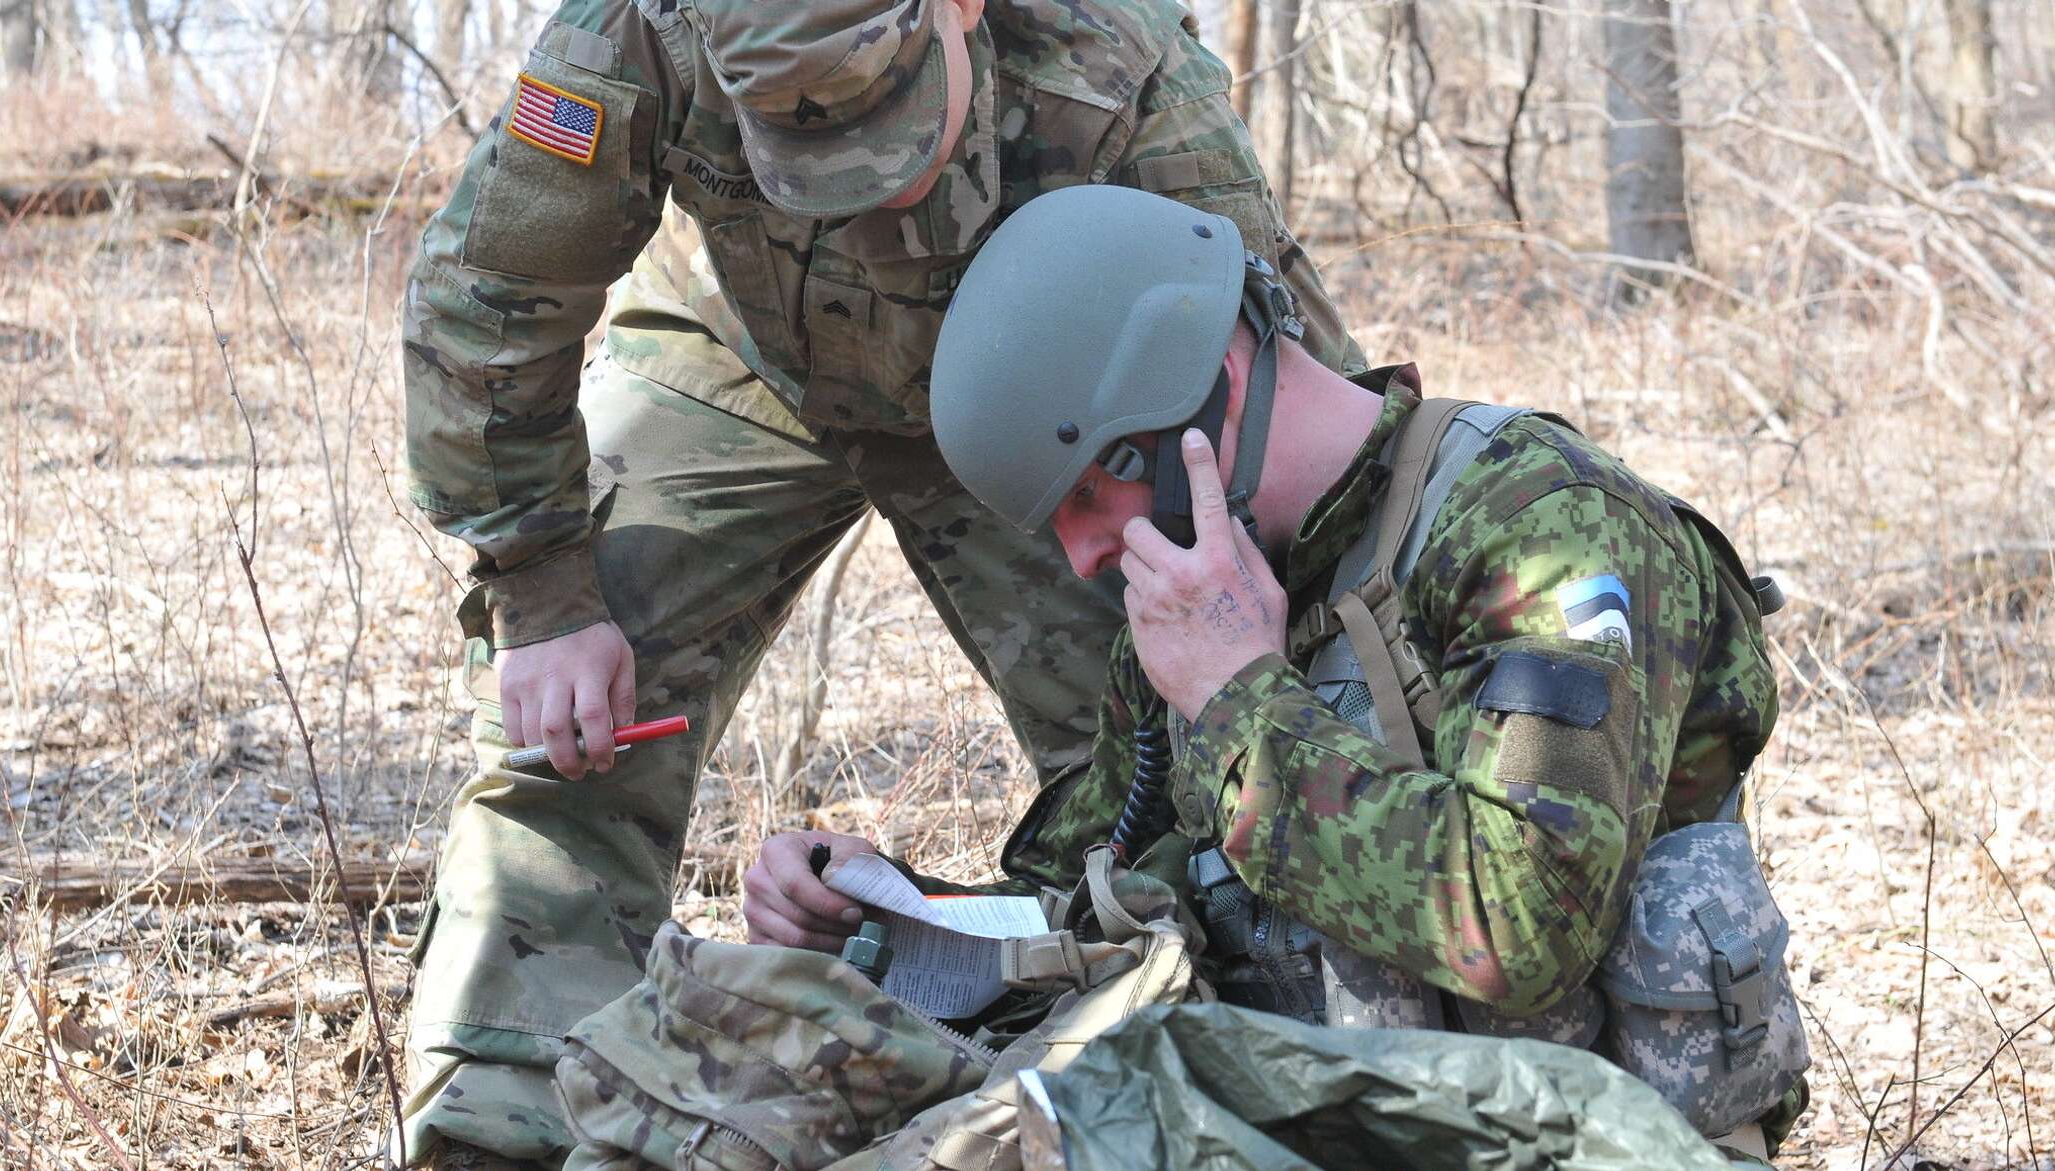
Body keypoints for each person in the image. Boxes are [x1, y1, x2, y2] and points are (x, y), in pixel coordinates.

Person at [399, 0, 1363, 1160]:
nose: (856, 198)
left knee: (1161, 771)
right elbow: (492, 290)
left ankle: (1118, 1083)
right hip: (738, 348)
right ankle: (499, 1126)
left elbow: (1284, 393)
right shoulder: (642, 28)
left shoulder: (1115, 63)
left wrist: (1283, 647)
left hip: (1032, 406)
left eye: (888, 137)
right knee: (569, 723)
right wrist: (543, 588)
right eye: (801, 157)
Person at [743, 184, 1809, 1160]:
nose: (1078, 558)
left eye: (1083, 495)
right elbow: (1079, 906)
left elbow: (1520, 919)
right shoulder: (1208, 599)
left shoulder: (1543, 527)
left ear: (1197, 403)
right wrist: (878, 913)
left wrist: (1235, 694)